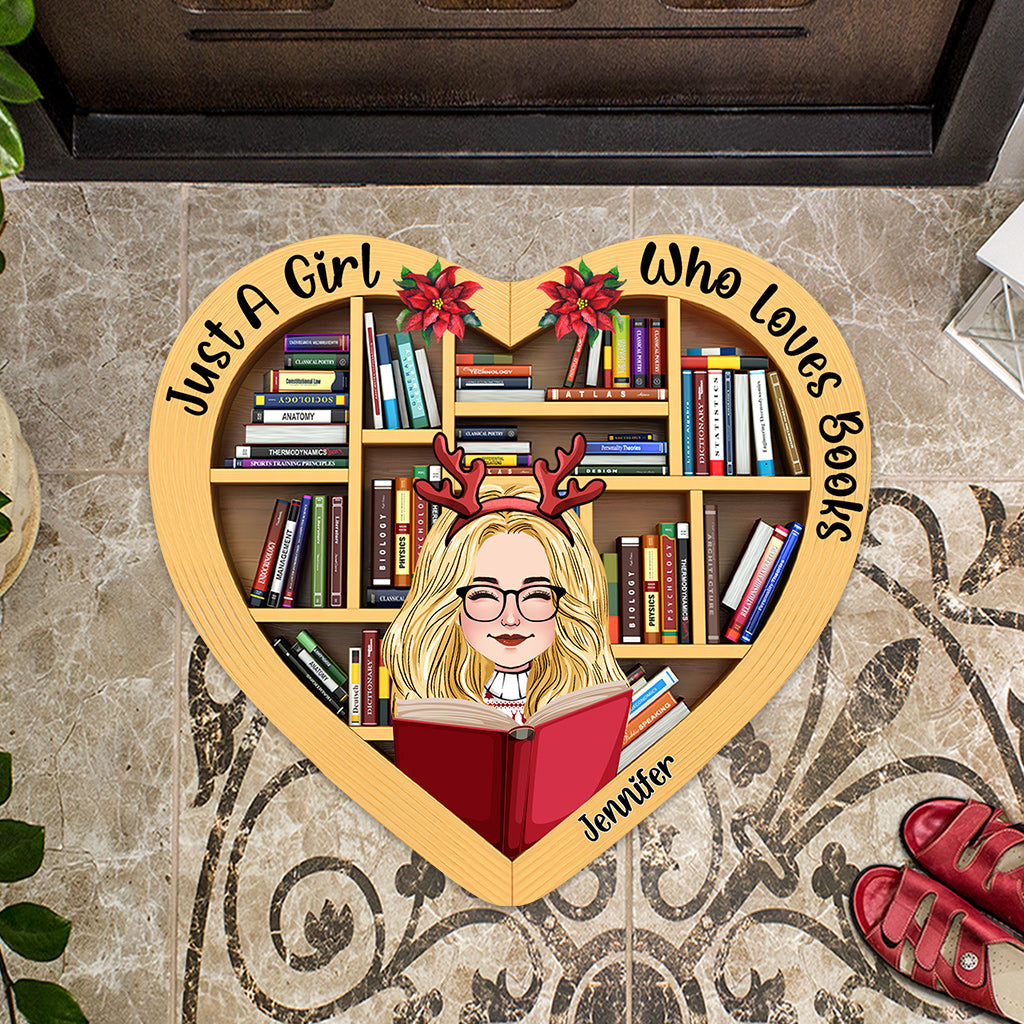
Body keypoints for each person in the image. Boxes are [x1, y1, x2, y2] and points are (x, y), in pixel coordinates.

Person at [381, 432, 622, 724]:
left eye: (536, 595)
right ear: (448, 604)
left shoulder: (588, 703)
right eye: (484, 595)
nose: (510, 619)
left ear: (571, 600)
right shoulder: (437, 702)